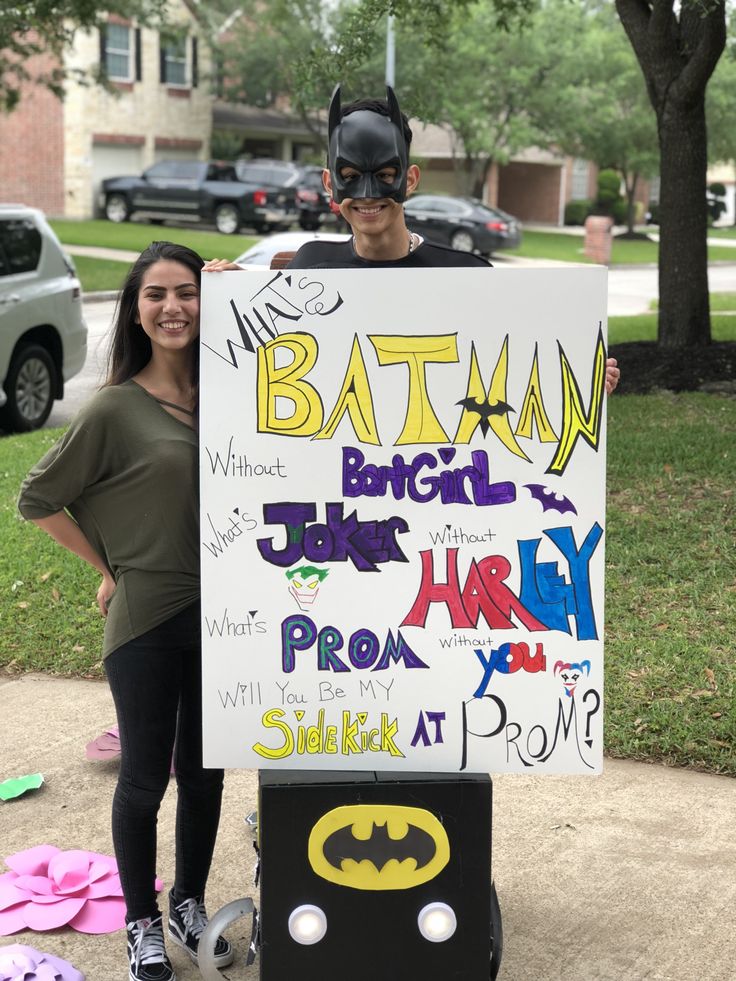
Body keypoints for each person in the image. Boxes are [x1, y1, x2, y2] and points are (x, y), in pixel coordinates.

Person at [18, 241, 234, 981]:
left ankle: (189, 901)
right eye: (156, 294)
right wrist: (108, 565)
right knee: (145, 777)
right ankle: (141, 921)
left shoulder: (240, 393)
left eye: (190, 291)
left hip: (229, 617)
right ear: (135, 310)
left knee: (205, 772)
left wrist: (252, 291)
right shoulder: (115, 406)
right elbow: (37, 497)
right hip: (146, 620)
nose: (174, 306)